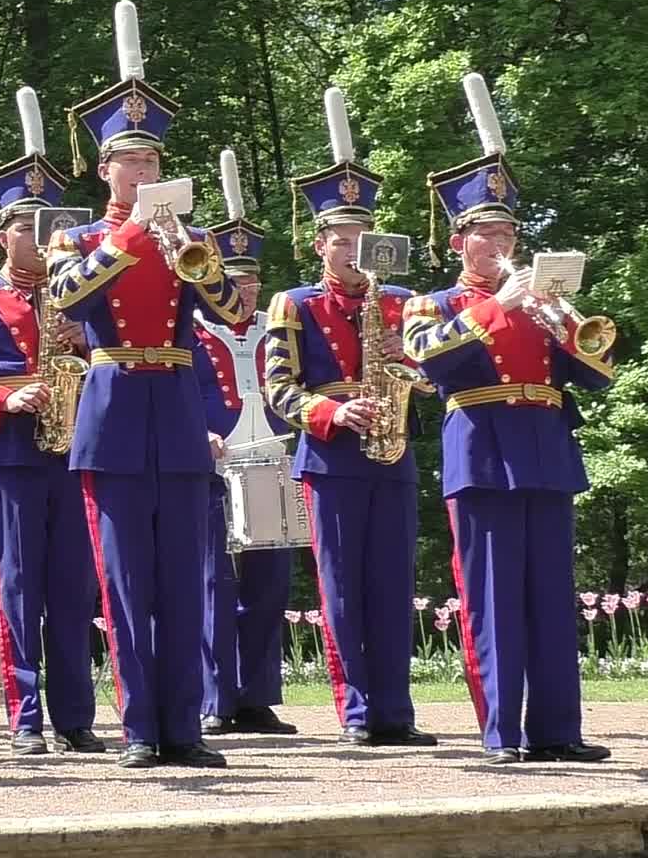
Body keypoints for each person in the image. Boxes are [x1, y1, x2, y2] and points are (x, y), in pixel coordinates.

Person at [47, 1, 245, 769]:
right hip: (114, 406)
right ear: (106, 171)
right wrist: (133, 238)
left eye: (155, 164)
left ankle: (184, 728)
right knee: (127, 580)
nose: (145, 174)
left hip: (177, 403)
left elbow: (229, 314)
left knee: (182, 575)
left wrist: (196, 253)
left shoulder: (185, 239)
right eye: (132, 164)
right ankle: (139, 729)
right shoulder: (83, 236)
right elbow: (63, 298)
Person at [403, 73, 615, 766]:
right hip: (485, 449)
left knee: (553, 598)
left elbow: (595, 372)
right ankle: (504, 733)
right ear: (460, 241)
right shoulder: (432, 302)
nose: (500, 243)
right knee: (493, 598)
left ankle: (560, 728)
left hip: (548, 448)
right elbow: (428, 360)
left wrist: (565, 320)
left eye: (508, 232)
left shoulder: (540, 300)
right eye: (487, 233)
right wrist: (500, 307)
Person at [0, 87, 104, 760]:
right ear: (2, 233)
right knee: (20, 585)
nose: (35, 238)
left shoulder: (80, 288)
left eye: (44, 225)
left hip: (77, 447)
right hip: (12, 450)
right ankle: (28, 716)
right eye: (22, 227)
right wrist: (6, 399)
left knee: (73, 588)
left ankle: (76, 715)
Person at [261, 87, 434, 749]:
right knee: (342, 591)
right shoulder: (293, 304)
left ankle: (397, 711)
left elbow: (432, 381)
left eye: (365, 237)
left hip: (392, 452)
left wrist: (404, 361)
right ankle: (358, 713)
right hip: (331, 456)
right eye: (343, 239)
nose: (355, 249)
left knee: (393, 588)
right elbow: (280, 389)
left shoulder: (404, 303)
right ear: (320, 245)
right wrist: (334, 410)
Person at [192, 207, 299, 737]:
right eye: (236, 283)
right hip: (215, 463)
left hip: (272, 459)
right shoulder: (189, 329)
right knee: (213, 583)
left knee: (269, 584)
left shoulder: (274, 328)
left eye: (254, 282)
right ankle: (215, 698)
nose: (248, 293)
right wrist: (197, 434)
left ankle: (257, 696)